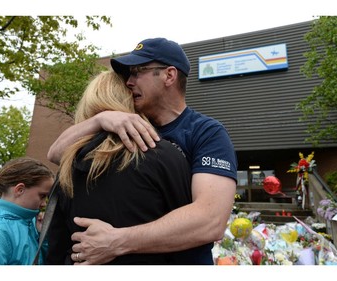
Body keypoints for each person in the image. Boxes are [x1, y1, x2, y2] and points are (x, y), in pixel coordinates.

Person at [47, 37, 238, 265]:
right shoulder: (119, 126)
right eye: (128, 74)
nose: (128, 82)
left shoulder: (206, 132)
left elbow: (211, 221)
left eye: (138, 72)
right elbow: (56, 154)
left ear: (169, 75)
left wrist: (117, 241)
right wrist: (99, 120)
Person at [46, 70, 192, 264]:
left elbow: (55, 244)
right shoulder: (163, 154)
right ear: (131, 100)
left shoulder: (68, 167)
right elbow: (187, 230)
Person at [0, 157, 55, 265]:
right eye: (42, 196)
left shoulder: (29, 222)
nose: (44, 203)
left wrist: (43, 237)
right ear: (20, 190)